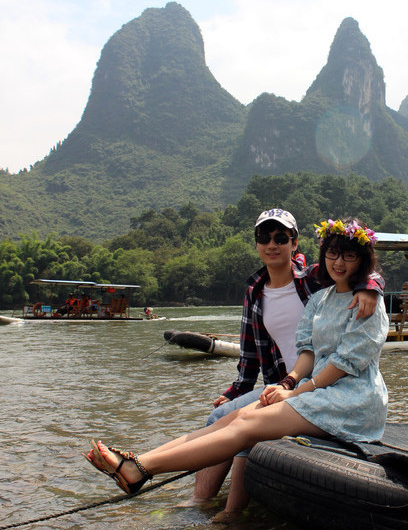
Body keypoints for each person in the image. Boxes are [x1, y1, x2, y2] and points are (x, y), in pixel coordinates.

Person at [84, 218, 389, 508]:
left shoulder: (366, 302)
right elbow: (307, 351)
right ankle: (138, 462)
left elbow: (345, 363)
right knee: (232, 417)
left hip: (351, 398)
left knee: (247, 425)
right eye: (332, 254)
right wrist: (287, 383)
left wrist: (296, 393)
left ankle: (142, 470)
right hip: (315, 389)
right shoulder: (319, 299)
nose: (338, 262)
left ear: (361, 259)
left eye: (349, 256)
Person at [183, 209, 383, 521]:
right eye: (265, 237)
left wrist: (370, 286)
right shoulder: (255, 291)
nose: (272, 244)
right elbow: (250, 352)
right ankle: (199, 502)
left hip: (317, 385)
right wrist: (237, 390)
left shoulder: (314, 279)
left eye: (280, 238)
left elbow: (355, 268)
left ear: (294, 243)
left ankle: (232, 510)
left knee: (248, 425)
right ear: (257, 243)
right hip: (284, 381)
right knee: (218, 415)